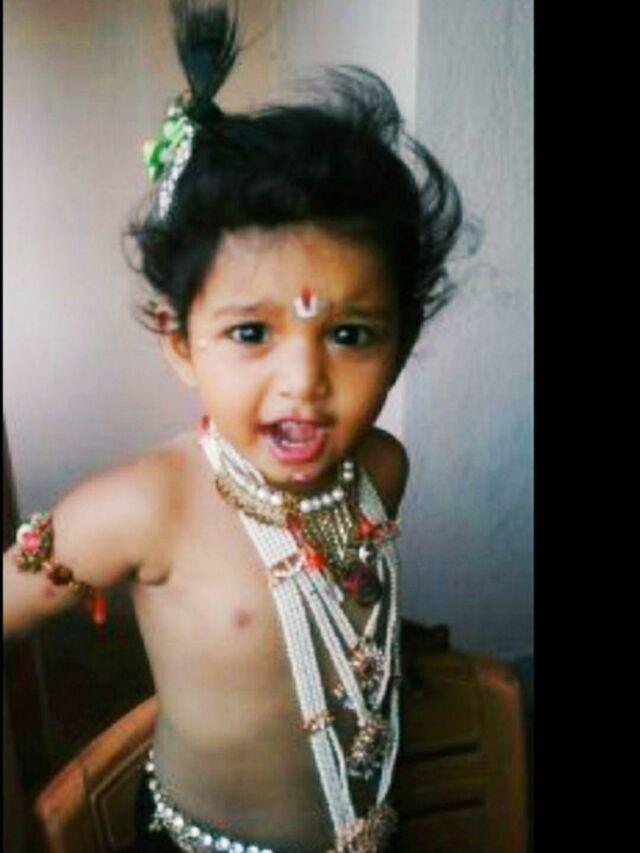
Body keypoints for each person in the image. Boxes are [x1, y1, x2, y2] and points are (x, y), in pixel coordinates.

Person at [3, 2, 463, 850]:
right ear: (182, 345)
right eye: (251, 332)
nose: (303, 382)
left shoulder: (381, 470)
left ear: (402, 343)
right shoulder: (147, 508)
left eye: (351, 334)